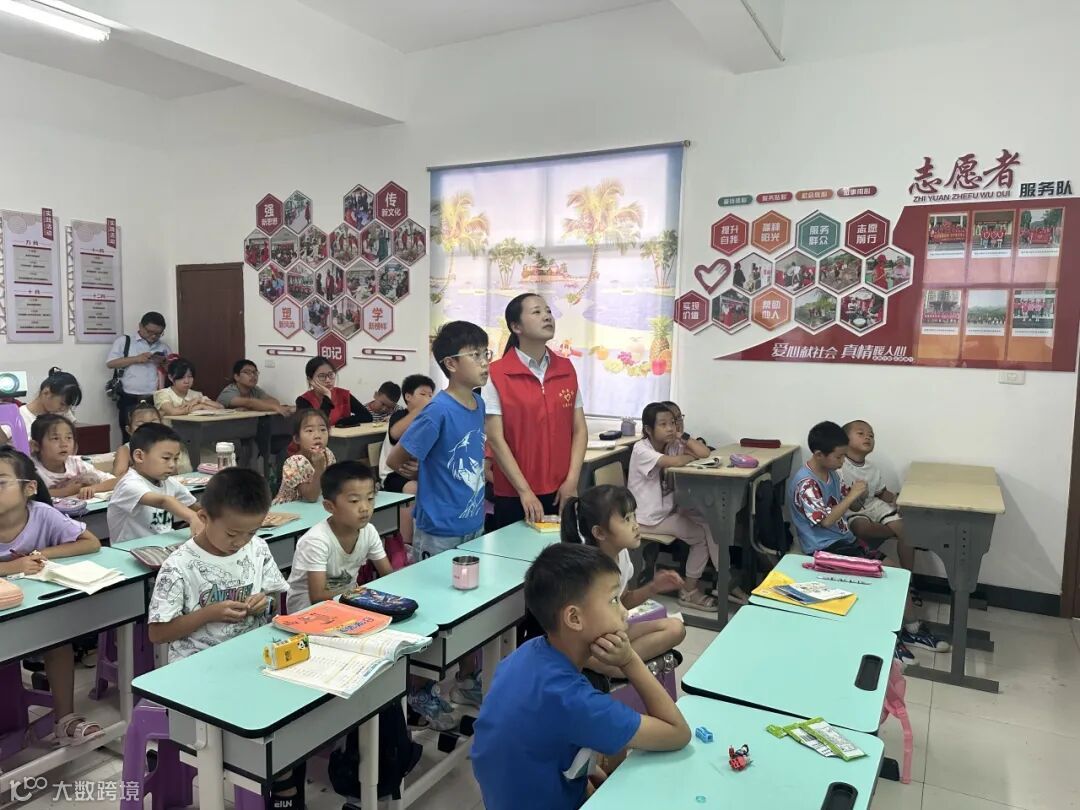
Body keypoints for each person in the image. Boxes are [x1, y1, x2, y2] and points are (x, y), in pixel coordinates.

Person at [471, 544, 691, 810]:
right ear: (574, 618)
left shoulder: (528, 652)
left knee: (613, 755)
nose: (624, 611)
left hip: (507, 797)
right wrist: (629, 660)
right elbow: (678, 732)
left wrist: (584, 776)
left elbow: (535, 742)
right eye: (613, 600)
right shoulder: (574, 700)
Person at [146, 468, 299, 808]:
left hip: (250, 660)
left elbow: (274, 601)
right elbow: (157, 632)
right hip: (198, 672)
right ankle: (266, 780)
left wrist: (264, 602)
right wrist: (208, 614)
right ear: (203, 517)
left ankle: (282, 783)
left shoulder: (257, 548)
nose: (241, 541)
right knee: (259, 731)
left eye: (250, 532)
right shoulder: (179, 566)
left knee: (292, 717)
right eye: (232, 533)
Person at [387, 320, 488, 721]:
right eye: (475, 355)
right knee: (433, 615)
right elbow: (396, 458)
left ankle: (466, 680)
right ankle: (419, 690)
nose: (484, 362)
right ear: (451, 364)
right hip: (439, 530)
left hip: (472, 524)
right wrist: (418, 468)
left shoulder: (477, 404)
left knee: (469, 610)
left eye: (486, 353)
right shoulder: (438, 410)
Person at [788, 421, 948, 657]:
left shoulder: (832, 474)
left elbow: (851, 505)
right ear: (819, 455)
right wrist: (851, 496)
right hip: (822, 549)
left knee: (895, 572)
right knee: (886, 574)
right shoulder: (806, 484)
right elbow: (826, 521)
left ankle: (911, 630)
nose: (842, 462)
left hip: (844, 541)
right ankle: (887, 635)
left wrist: (858, 496)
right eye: (839, 457)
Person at [0, 447, 105, 747]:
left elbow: (90, 543)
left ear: (29, 488)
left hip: (32, 608)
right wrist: (12, 567)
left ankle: (65, 720)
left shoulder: (42, 514)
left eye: (0, 482)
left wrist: (41, 553)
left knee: (58, 641)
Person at [560, 485, 685, 679]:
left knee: (676, 628)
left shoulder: (622, 555)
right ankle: (614, 667)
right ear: (600, 533)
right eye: (626, 519)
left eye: (634, 516)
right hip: (588, 642)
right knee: (609, 654)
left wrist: (654, 587)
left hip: (612, 632)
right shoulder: (589, 570)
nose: (636, 525)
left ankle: (621, 664)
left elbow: (623, 600)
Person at [483, 294, 587, 528]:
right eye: (537, 312)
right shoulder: (497, 374)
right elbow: (496, 439)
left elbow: (579, 429)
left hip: (562, 490)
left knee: (561, 550)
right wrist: (524, 491)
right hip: (515, 493)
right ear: (516, 327)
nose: (547, 316)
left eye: (548, 311)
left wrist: (572, 481)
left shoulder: (566, 368)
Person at [628, 402, 720, 610]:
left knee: (707, 521)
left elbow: (704, 453)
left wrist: (683, 437)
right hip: (647, 518)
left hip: (665, 512)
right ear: (648, 429)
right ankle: (689, 591)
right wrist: (687, 457)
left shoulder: (669, 445)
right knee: (700, 537)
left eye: (673, 423)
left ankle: (720, 575)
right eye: (663, 424)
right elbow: (676, 462)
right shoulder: (641, 449)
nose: (670, 428)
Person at [286, 461, 391, 613]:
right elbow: (317, 597)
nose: (365, 508)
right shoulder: (316, 541)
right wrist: (362, 593)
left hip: (348, 603)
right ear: (329, 506)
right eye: (354, 501)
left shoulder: (369, 531)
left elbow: (388, 575)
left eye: (370, 498)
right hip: (307, 613)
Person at [107, 423, 202, 544]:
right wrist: (192, 517)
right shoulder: (129, 484)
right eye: (166, 458)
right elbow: (164, 501)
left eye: (175, 458)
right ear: (139, 456)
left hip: (163, 546)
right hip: (129, 551)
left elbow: (195, 507)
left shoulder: (169, 482)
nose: (172, 465)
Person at [841, 420, 915, 572]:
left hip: (874, 505)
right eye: (860, 433)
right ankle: (892, 532)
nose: (867, 437)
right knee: (861, 528)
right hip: (852, 510)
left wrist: (897, 500)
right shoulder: (839, 465)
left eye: (871, 435)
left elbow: (882, 493)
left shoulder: (872, 468)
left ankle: (909, 576)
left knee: (907, 533)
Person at [378, 374, 434, 546]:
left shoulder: (431, 419)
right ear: (408, 396)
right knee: (413, 489)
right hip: (392, 473)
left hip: (420, 472)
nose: (428, 398)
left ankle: (429, 537)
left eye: (431, 395)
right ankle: (406, 543)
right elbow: (395, 434)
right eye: (423, 394)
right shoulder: (400, 415)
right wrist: (419, 410)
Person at [106, 312, 171, 441]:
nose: (153, 336)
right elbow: (110, 363)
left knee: (154, 437)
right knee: (130, 437)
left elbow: (173, 372)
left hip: (154, 399)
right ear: (140, 326)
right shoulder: (125, 341)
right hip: (129, 398)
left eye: (158, 333)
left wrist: (164, 363)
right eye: (150, 332)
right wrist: (136, 359)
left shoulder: (164, 347)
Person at [30, 414, 115, 499]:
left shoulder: (76, 464)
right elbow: (29, 493)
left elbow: (116, 481)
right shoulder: (31, 469)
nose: (64, 444)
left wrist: (93, 488)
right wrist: (66, 491)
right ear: (36, 445)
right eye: (55, 438)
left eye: (69, 438)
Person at [112, 401, 192, 478]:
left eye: (154, 423)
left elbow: (180, 472)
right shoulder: (125, 450)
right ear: (129, 430)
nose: (149, 429)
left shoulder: (170, 445)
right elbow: (118, 476)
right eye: (140, 425)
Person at [274, 409, 335, 505]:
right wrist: (319, 468)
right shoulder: (294, 463)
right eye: (309, 431)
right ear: (297, 439)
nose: (317, 436)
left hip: (313, 506)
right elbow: (311, 497)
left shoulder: (328, 454)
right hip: (287, 508)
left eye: (323, 430)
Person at [295, 357, 373, 428]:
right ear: (310, 380)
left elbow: (367, 416)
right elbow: (318, 425)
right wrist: (327, 396)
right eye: (322, 376)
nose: (328, 380)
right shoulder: (303, 400)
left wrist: (342, 421)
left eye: (331, 374)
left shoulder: (343, 394)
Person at [18, 368, 82, 437]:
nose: (64, 409)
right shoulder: (19, 417)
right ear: (46, 392)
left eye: (68, 406)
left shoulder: (63, 414)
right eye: (62, 404)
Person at [217, 359, 293, 416]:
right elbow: (249, 403)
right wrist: (273, 407)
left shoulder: (255, 389)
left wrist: (254, 407)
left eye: (255, 372)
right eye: (247, 372)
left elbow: (274, 402)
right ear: (237, 377)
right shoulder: (229, 391)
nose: (253, 375)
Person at [154, 358, 223, 417]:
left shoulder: (196, 395)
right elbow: (173, 412)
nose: (186, 381)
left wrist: (200, 400)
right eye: (181, 377)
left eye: (190, 376)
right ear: (170, 377)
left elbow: (220, 407)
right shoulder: (162, 394)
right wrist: (200, 406)